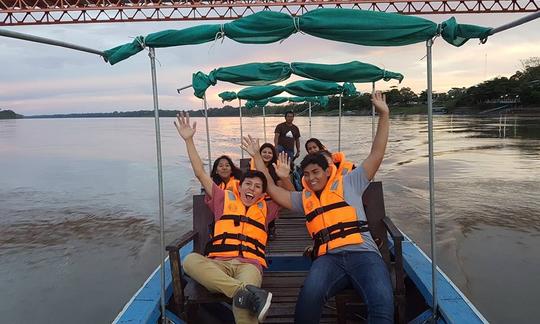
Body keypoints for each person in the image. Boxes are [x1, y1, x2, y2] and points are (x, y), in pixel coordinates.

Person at [243, 91, 393, 324]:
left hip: (364, 254)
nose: (312, 178)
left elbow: (377, 153)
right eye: (306, 174)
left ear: (326, 171)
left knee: (382, 306)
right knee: (306, 303)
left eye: (316, 172)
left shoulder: (351, 182)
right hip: (328, 259)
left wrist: (384, 115)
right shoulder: (305, 198)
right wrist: (259, 159)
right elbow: (272, 189)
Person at [174, 112, 279, 324]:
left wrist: (260, 159)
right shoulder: (223, 198)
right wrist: (189, 140)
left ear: (262, 193)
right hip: (218, 264)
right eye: (248, 184)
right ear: (239, 187)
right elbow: (200, 173)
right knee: (190, 260)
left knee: (243, 308)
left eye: (258, 187)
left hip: (249, 265)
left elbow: (287, 192)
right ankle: (243, 293)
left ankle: (243, 295)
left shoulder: (268, 208)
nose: (252, 188)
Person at [250, 143, 295, 239]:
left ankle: (271, 227)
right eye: (264, 152)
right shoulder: (253, 166)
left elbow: (281, 186)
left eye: (270, 153)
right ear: (260, 154)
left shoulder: (276, 168)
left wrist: (284, 179)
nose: (267, 154)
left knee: (270, 212)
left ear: (273, 155)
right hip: (257, 198)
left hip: (271, 198)